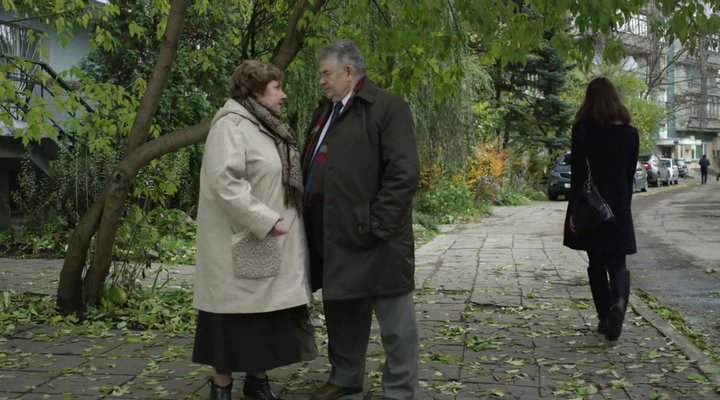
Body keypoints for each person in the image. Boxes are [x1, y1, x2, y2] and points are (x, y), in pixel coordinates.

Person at [301, 40, 420, 400]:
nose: (321, 80)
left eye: (326, 73)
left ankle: (400, 390)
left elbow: (403, 174)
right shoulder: (326, 111)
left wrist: (376, 225)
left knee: (395, 321)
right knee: (343, 313)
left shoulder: (387, 107)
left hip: (378, 239)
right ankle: (346, 377)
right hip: (335, 234)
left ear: (349, 71)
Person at [192, 60, 317, 400]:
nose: (283, 94)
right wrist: (264, 219)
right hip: (243, 236)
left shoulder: (264, 126)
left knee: (262, 315)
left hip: (266, 238)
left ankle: (257, 382)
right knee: (229, 317)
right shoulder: (231, 126)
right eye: (277, 88)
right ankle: (221, 386)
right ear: (257, 92)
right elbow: (224, 182)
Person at [563, 77, 638, 342]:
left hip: (592, 207)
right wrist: (625, 206)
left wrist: (574, 211)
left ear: (589, 99)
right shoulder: (630, 133)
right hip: (619, 205)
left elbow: (578, 174)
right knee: (618, 263)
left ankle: (605, 317)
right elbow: (629, 175)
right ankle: (619, 303)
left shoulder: (582, 131)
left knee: (596, 264)